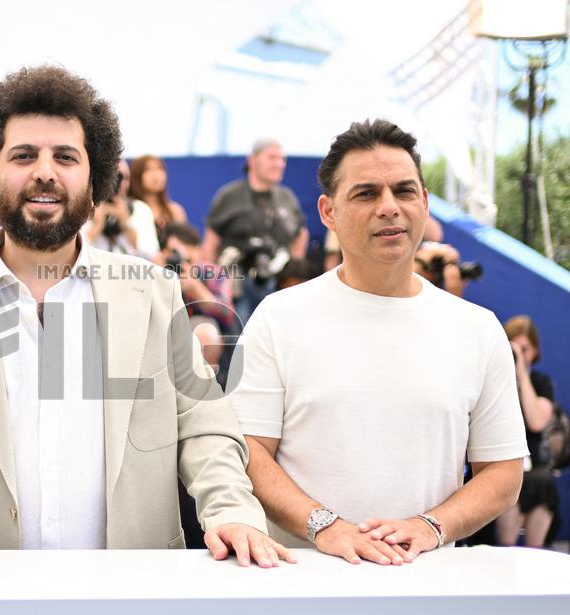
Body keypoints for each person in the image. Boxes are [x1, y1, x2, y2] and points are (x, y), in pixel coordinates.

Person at [0, 65, 290, 570]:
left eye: (66, 157)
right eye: (24, 155)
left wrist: (230, 509)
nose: (45, 172)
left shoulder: (153, 293)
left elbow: (202, 424)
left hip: (133, 600)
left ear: (95, 184)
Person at [230, 119, 526, 565]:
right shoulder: (278, 317)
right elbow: (248, 452)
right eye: (366, 193)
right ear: (328, 212)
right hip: (299, 584)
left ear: (424, 203)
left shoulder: (479, 329)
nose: (389, 207)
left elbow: (502, 472)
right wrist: (324, 526)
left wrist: (430, 527)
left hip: (430, 590)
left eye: (404, 191)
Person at [203, 139, 307, 325]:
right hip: (238, 283)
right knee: (241, 337)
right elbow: (210, 243)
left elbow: (301, 232)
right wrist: (216, 283)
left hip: (277, 282)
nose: (279, 164)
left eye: (282, 159)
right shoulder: (229, 196)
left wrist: (292, 265)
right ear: (252, 160)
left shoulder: (287, 197)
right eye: (272, 157)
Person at [496, 315, 558, 547]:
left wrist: (522, 374)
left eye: (525, 349)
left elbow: (537, 422)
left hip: (533, 469)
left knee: (541, 482)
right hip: (500, 464)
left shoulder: (541, 382)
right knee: (506, 480)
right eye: (514, 348)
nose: (519, 354)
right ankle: (505, 550)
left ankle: (536, 555)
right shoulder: (492, 380)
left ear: (535, 352)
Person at [83, 159, 160, 259]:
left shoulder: (140, 210)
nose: (119, 184)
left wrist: (126, 223)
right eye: (112, 177)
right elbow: (71, 254)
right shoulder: (83, 209)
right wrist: (96, 227)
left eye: (125, 178)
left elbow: (151, 255)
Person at [127, 155, 188, 235]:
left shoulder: (175, 211)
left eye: (160, 168)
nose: (155, 175)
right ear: (137, 175)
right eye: (148, 169)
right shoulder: (129, 209)